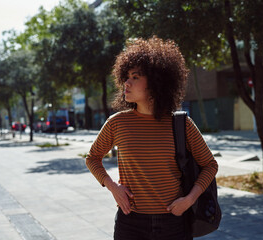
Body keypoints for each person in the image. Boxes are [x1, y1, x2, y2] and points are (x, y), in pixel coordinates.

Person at [86, 36, 218, 240]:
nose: (126, 83)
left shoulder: (181, 124)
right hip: (130, 223)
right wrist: (113, 187)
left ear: (156, 83)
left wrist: (189, 200)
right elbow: (92, 157)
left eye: (135, 77)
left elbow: (210, 165)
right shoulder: (117, 122)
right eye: (126, 76)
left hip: (173, 223)